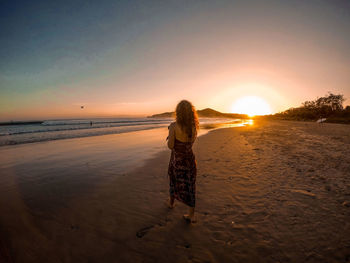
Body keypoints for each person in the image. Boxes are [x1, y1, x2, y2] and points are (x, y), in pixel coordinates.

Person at [167, 100, 199, 223]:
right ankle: (191, 214)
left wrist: (170, 133)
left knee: (173, 180)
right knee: (190, 185)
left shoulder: (174, 126)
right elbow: (189, 144)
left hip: (178, 161)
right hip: (190, 160)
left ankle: (171, 203)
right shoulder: (194, 126)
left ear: (178, 112)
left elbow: (171, 146)